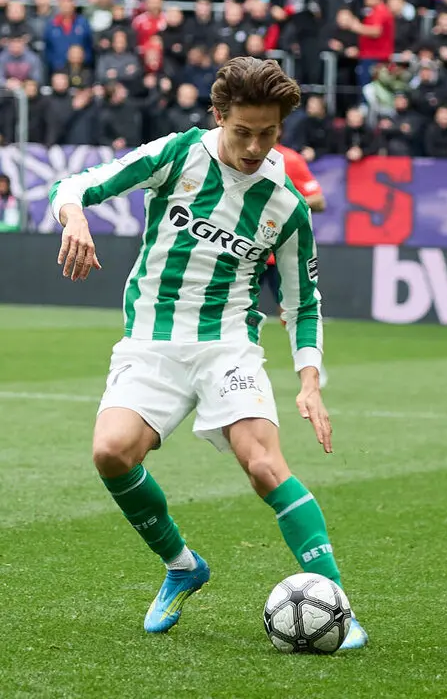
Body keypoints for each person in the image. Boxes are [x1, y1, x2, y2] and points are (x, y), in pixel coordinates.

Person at [49, 56, 367, 650]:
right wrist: (75, 218)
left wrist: (309, 381)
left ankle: (338, 605)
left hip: (229, 347)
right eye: (241, 130)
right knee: (111, 453)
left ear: (281, 129)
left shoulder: (284, 205)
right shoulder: (176, 154)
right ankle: (181, 565)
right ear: (218, 116)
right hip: (151, 342)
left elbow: (303, 303)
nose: (252, 145)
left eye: (267, 133)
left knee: (266, 466)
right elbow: (76, 184)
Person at [260, 143, 327, 322]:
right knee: (229, 312)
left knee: (293, 314)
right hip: (241, 250)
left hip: (279, 252)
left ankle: (303, 348)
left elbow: (319, 201)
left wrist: (284, 204)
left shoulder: (289, 159)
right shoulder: (229, 152)